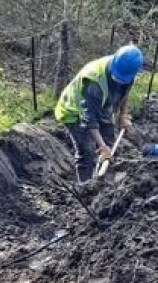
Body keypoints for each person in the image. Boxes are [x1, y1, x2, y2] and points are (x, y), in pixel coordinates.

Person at [54, 44, 144, 183]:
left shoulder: (127, 72)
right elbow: (89, 120)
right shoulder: (94, 82)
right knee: (87, 152)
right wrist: (102, 148)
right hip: (74, 111)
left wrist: (123, 116)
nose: (119, 80)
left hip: (102, 108)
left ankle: (101, 185)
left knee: (109, 144)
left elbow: (124, 93)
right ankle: (85, 189)